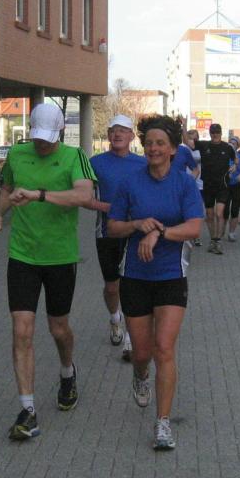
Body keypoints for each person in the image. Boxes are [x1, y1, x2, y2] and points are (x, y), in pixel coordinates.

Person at [0, 103, 97, 441]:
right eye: (37, 137)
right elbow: (7, 190)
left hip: (60, 257)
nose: (42, 144)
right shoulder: (17, 155)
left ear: (60, 131)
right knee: (22, 330)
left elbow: (84, 195)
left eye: (47, 139)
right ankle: (28, 410)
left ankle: (67, 372)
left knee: (58, 329)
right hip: (23, 255)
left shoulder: (74, 156)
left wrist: (40, 195)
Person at [107, 115, 204, 450]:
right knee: (142, 352)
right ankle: (140, 375)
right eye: (148, 143)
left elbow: (194, 227)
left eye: (160, 143)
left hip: (171, 276)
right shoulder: (130, 183)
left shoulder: (184, 184)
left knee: (164, 348)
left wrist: (160, 231)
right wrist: (137, 225)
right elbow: (113, 227)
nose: (153, 148)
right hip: (135, 276)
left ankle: (163, 423)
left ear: (173, 149)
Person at [89, 115, 146, 361]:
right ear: (108, 135)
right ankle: (115, 318)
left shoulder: (143, 163)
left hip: (135, 231)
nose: (117, 134)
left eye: (123, 130)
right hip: (107, 231)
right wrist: (110, 208)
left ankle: (131, 338)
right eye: (113, 130)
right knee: (112, 286)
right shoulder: (95, 163)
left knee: (133, 284)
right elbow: (84, 198)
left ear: (132, 136)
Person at [194, 123, 236, 255]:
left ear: (221, 133)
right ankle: (213, 240)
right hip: (208, 185)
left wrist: (234, 166)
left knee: (219, 213)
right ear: (210, 133)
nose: (215, 134)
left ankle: (218, 240)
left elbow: (236, 160)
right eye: (213, 132)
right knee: (210, 215)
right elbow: (187, 141)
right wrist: (183, 126)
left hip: (223, 185)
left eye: (217, 132)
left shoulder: (227, 147)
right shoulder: (204, 145)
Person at [222, 136, 240, 242]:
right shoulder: (223, 156)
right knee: (224, 211)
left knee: (235, 210)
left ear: (238, 146)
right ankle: (221, 231)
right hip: (225, 186)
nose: (231, 145)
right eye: (230, 143)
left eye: (234, 143)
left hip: (236, 187)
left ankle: (231, 233)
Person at [184, 129, 204, 246]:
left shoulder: (201, 150)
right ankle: (187, 234)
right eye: (190, 138)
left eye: (195, 138)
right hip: (187, 183)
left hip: (199, 184)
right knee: (186, 208)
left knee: (197, 210)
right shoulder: (184, 150)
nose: (193, 141)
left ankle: (196, 235)